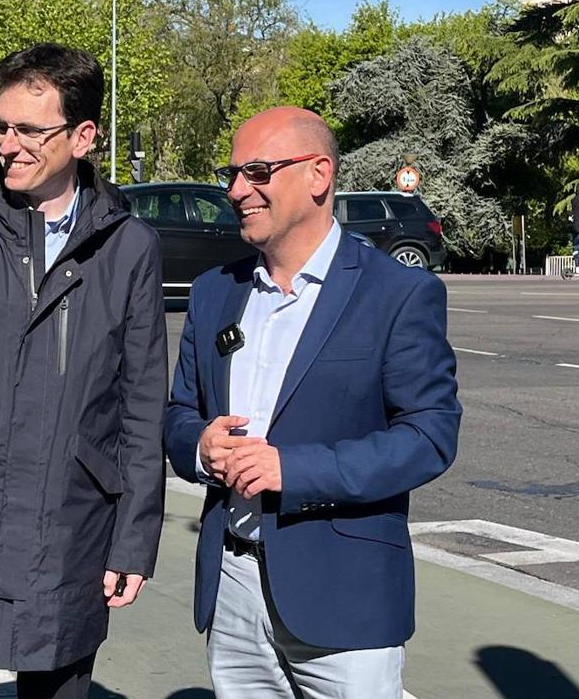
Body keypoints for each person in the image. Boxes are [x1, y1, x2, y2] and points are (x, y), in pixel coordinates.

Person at [0, 44, 168, 699]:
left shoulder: (129, 248)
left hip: (71, 531)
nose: (8, 145)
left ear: (83, 136)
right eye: (0, 126)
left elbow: (141, 405)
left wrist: (133, 537)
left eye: (28, 130)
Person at [164, 107, 461, 699]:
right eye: (232, 173)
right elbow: (177, 415)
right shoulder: (214, 291)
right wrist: (200, 446)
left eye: (257, 171)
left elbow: (429, 436)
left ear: (318, 174)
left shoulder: (399, 293)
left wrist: (291, 470)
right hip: (232, 584)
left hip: (344, 598)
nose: (236, 190)